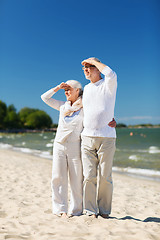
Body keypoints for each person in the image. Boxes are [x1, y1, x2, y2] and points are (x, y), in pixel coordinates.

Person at [41, 79, 116, 218]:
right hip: (59, 145)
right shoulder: (63, 106)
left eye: (69, 89)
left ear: (78, 91)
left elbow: (100, 111)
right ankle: (61, 209)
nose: (66, 92)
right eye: (65, 90)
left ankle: (76, 211)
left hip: (75, 146)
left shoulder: (85, 107)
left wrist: (112, 119)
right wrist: (57, 87)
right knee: (58, 177)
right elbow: (44, 97)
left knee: (76, 179)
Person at [81, 57, 117, 218]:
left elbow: (111, 74)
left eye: (90, 67)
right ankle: (90, 210)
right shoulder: (86, 89)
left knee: (105, 177)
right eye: (84, 68)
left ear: (97, 68)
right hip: (87, 137)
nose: (86, 70)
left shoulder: (108, 85)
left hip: (107, 137)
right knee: (89, 176)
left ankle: (104, 211)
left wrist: (95, 61)